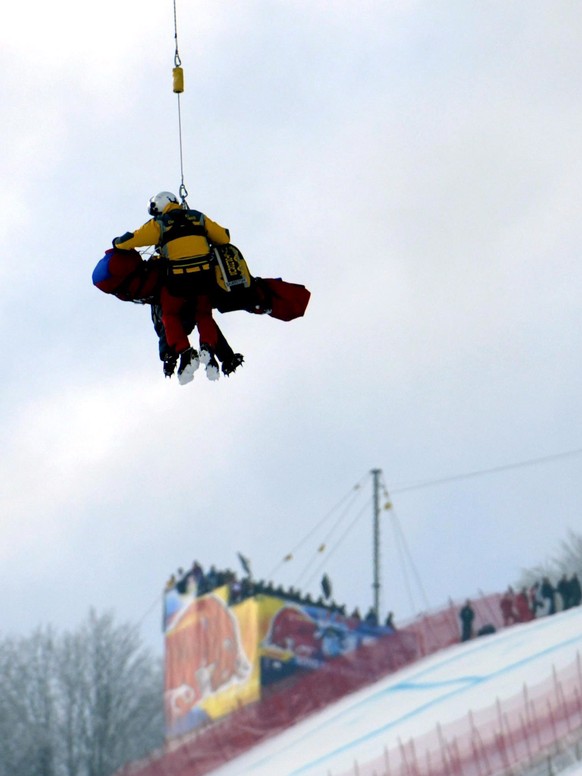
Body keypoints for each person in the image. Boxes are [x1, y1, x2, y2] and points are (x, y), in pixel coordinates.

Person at [113, 192, 232, 384]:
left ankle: (185, 352)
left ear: (159, 207)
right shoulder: (198, 217)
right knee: (204, 315)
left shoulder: (159, 224)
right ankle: (208, 348)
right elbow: (224, 238)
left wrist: (116, 242)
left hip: (177, 281)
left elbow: (129, 240)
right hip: (204, 278)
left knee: (169, 316)